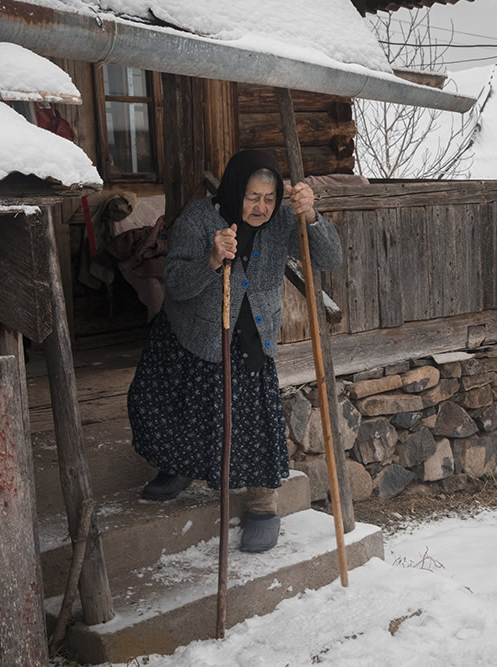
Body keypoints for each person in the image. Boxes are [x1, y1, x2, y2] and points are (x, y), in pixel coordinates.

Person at [127, 149, 342, 553]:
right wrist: (211, 258)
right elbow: (175, 284)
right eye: (251, 196)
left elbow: (331, 258)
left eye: (269, 197)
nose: (261, 207)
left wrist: (310, 216)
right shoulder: (198, 219)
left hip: (252, 333)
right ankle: (178, 466)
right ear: (232, 190)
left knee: (255, 420)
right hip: (194, 332)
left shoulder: (282, 219)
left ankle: (262, 504)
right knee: (179, 405)